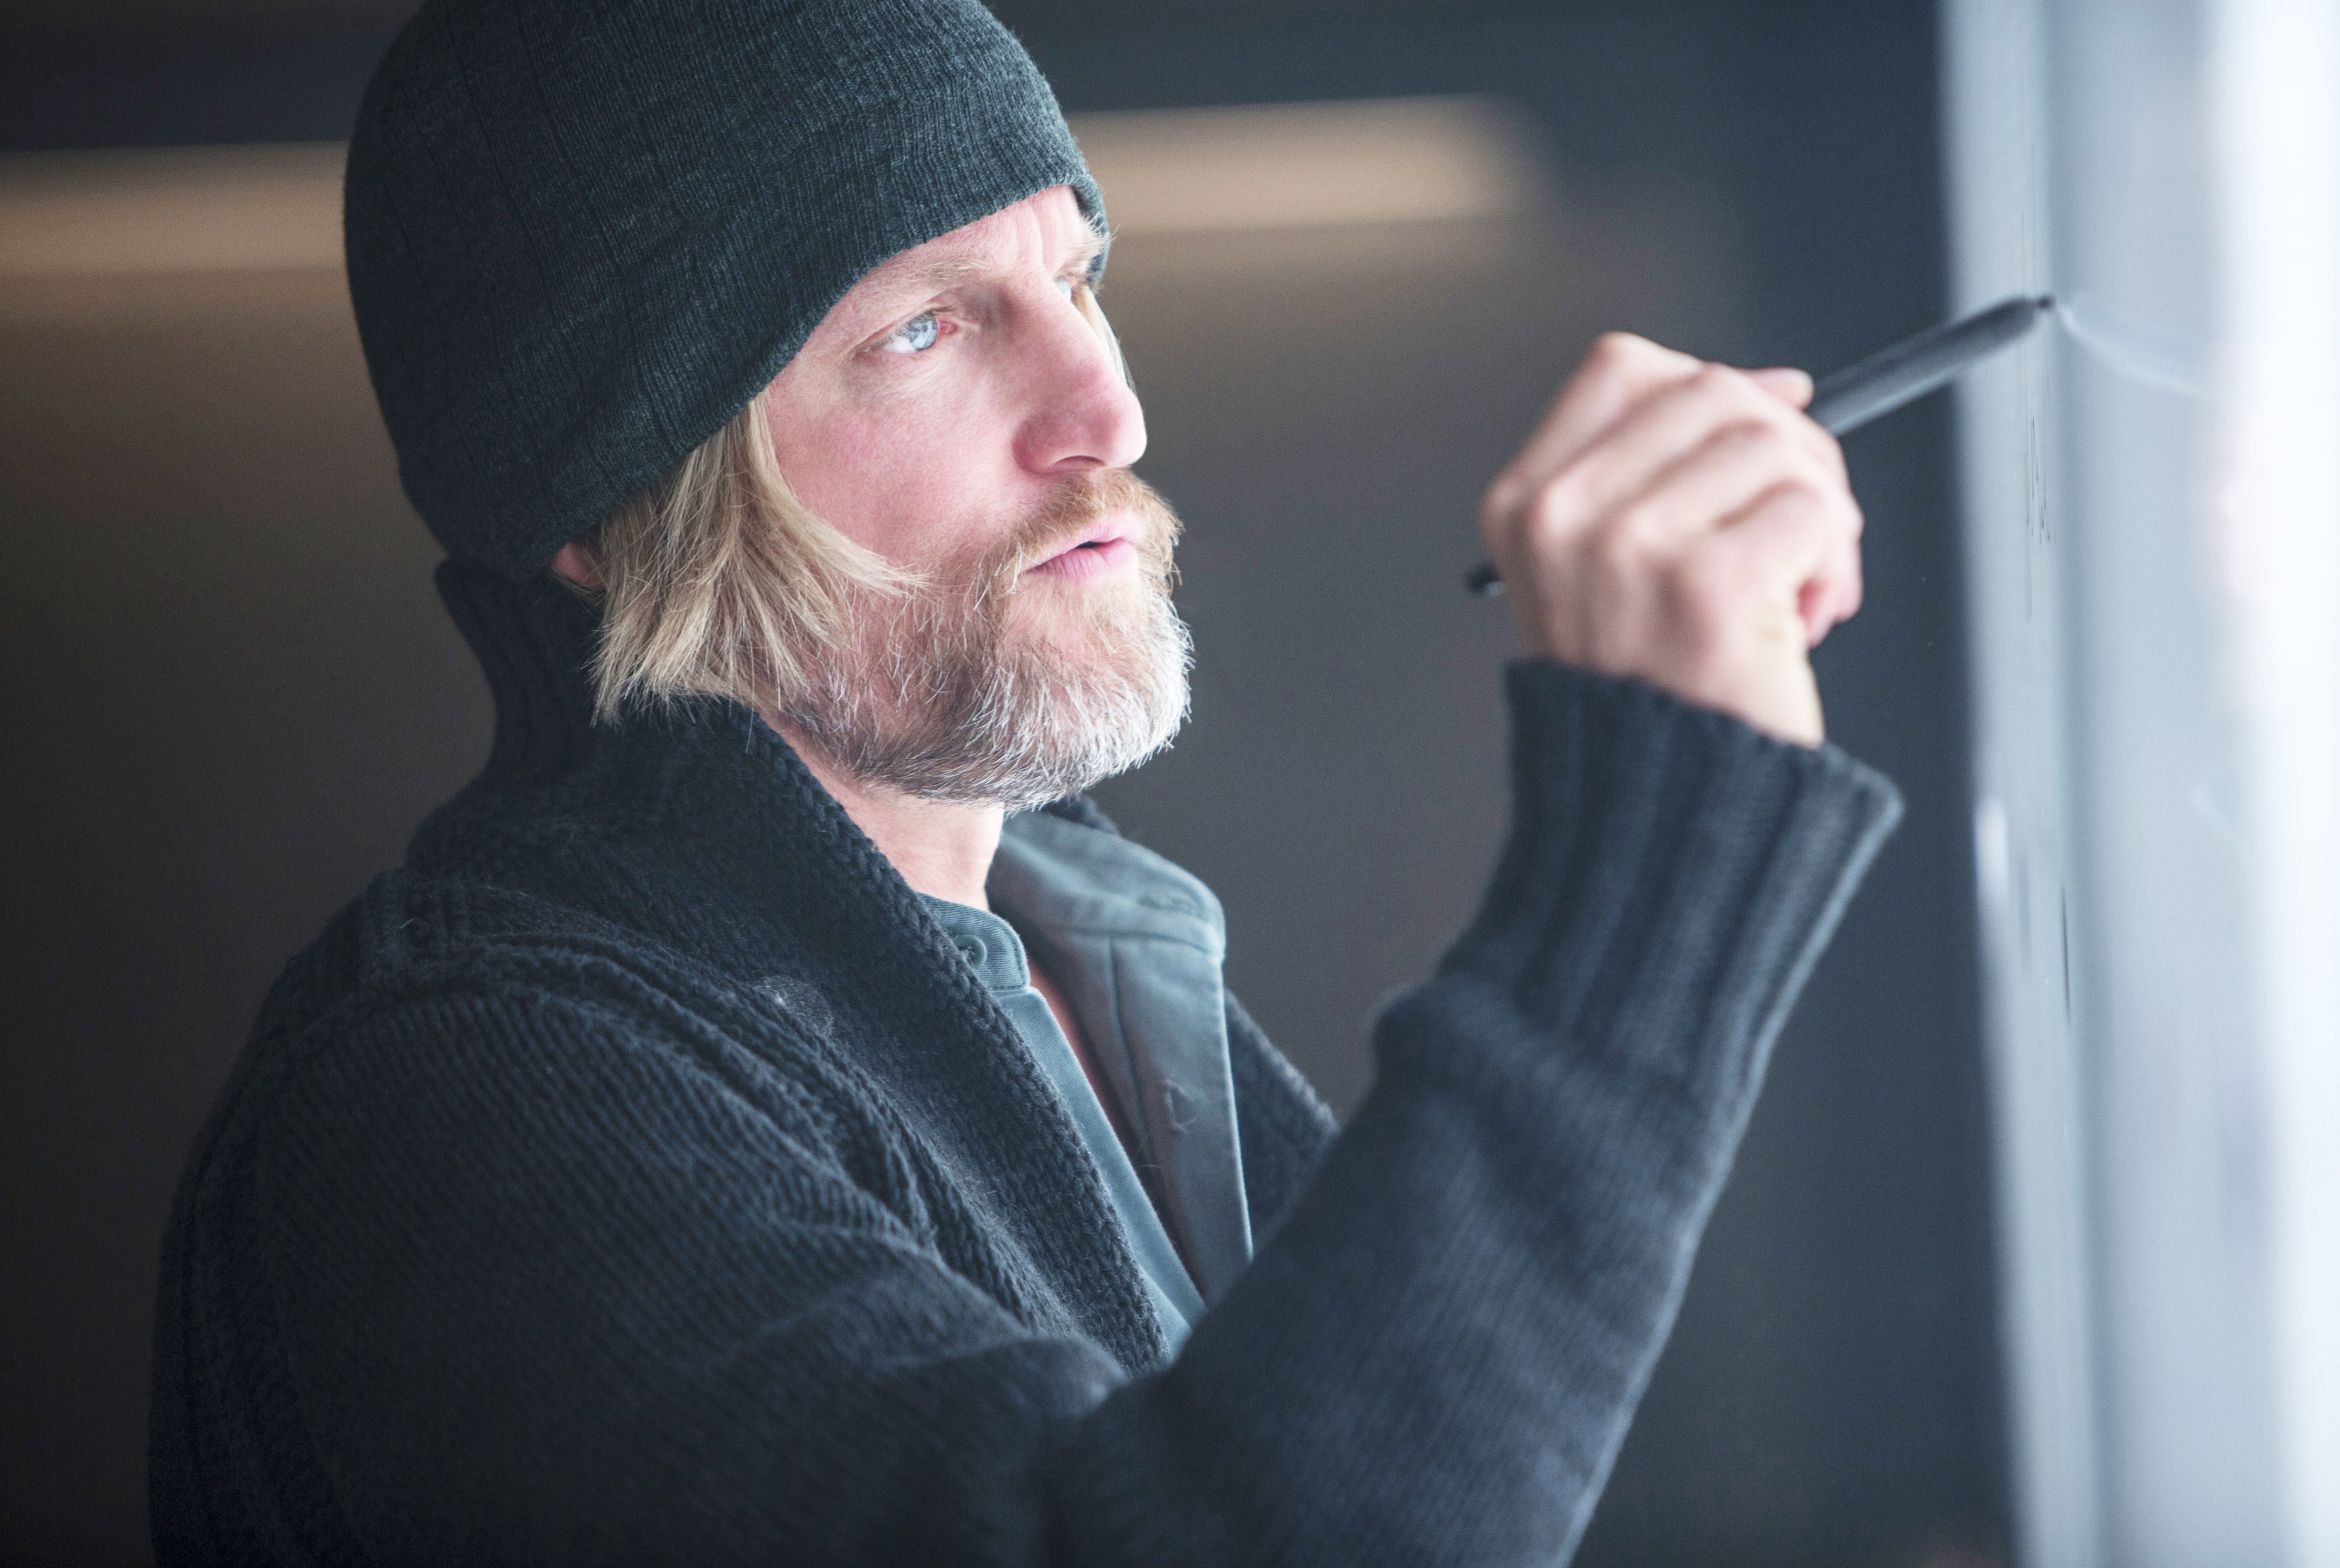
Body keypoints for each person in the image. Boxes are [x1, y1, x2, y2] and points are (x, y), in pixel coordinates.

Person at [150, 2, 1899, 1563]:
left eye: (1076, 279)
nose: (1108, 411)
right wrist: (1647, 873)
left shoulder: (1103, 956)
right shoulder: (461, 1092)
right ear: (606, 518)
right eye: (924, 327)